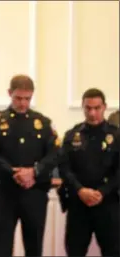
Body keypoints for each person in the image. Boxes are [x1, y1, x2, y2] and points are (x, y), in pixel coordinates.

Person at [0, 74, 59, 257]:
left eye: (27, 98)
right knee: (1, 247)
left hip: (34, 192)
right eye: (18, 98)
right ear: (9, 93)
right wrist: (13, 172)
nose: (23, 103)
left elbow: (55, 154)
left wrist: (34, 172)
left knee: (34, 246)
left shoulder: (42, 123)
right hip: (5, 192)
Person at [58, 88, 119, 256]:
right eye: (88, 108)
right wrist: (80, 189)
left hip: (108, 204)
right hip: (79, 204)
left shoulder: (116, 135)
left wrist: (102, 192)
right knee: (75, 251)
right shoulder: (72, 135)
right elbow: (64, 168)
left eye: (97, 108)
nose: (92, 113)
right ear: (82, 107)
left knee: (113, 251)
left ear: (104, 107)